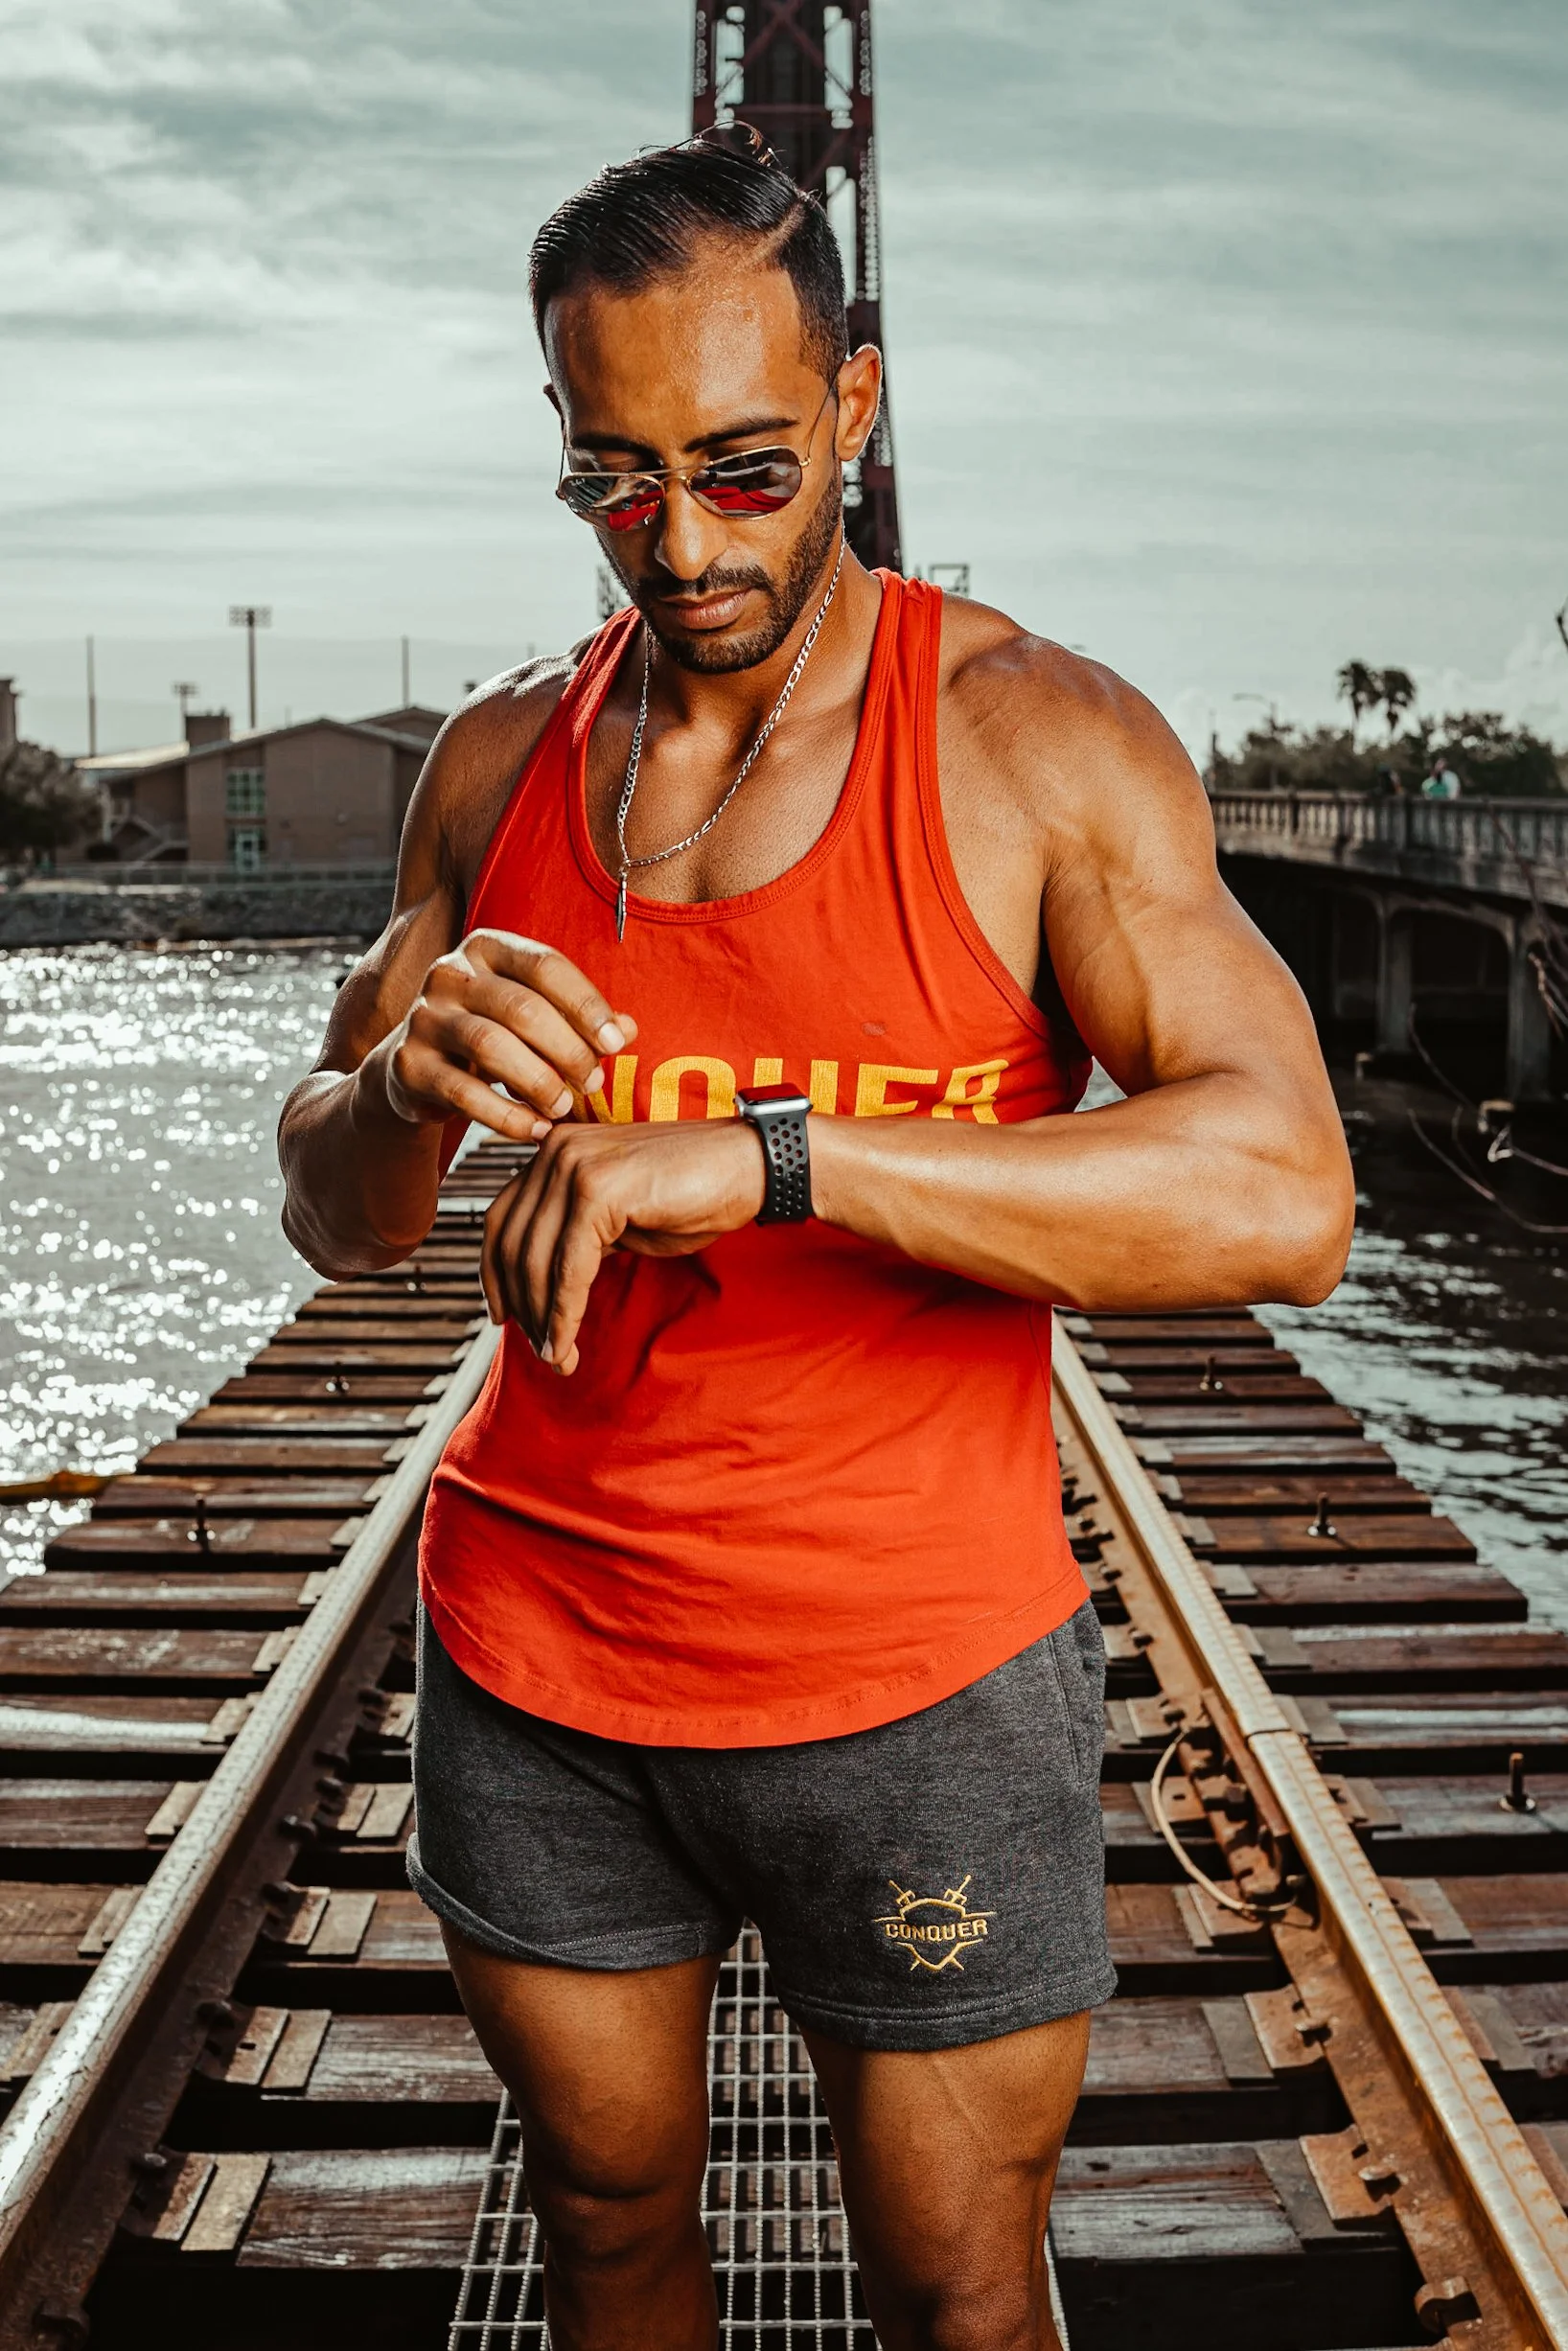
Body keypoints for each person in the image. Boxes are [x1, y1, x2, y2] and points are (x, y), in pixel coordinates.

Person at [278, 127, 1353, 2351]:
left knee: (959, 2291)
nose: (676, 546)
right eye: (611, 480)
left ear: (853, 403)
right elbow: (340, 1212)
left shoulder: (1032, 741)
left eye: (747, 470)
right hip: (539, 1661)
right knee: (599, 2222)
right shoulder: (494, 762)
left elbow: (1281, 1193)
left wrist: (780, 1154)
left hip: (918, 1687)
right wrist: (392, 1091)